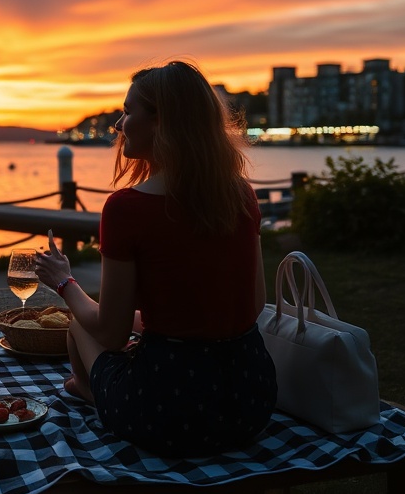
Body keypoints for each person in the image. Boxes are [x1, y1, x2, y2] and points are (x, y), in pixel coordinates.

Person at [34, 60, 277, 457]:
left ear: (161, 121)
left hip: (169, 410)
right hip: (250, 401)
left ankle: (89, 392)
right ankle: (99, 390)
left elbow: (109, 335)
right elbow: (252, 306)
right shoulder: (241, 195)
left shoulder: (127, 209)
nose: (118, 124)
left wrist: (64, 282)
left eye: (128, 112)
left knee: (79, 326)